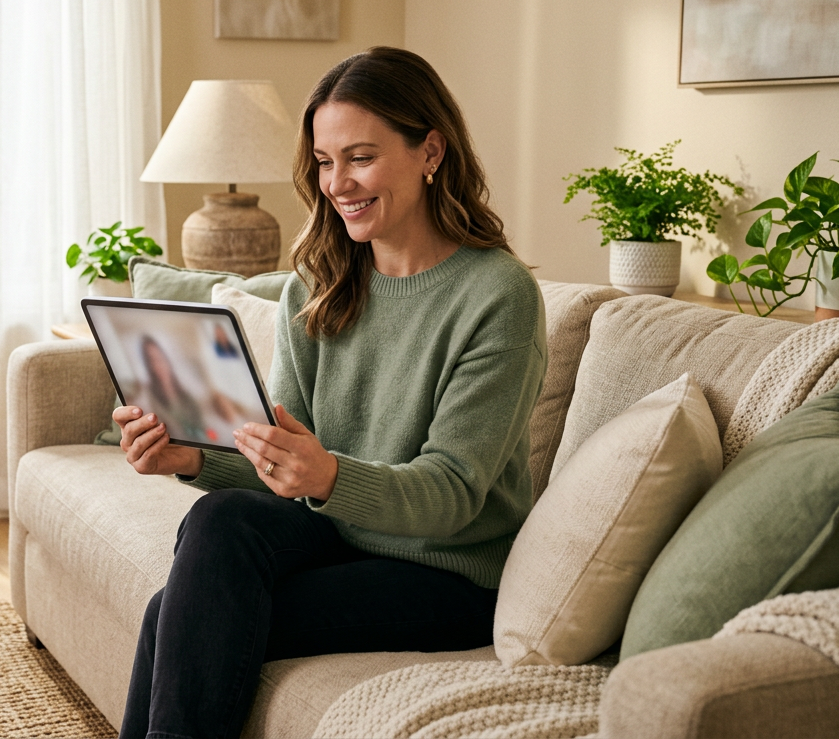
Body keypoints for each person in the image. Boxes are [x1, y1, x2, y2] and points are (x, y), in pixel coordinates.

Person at [113, 46, 547, 739]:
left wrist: (331, 475)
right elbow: (286, 455)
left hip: (449, 574)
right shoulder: (317, 282)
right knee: (221, 521)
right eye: (323, 161)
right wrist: (191, 457)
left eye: (361, 157)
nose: (337, 182)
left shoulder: (497, 296)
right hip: (338, 533)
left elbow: (455, 492)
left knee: (178, 614)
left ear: (430, 151)